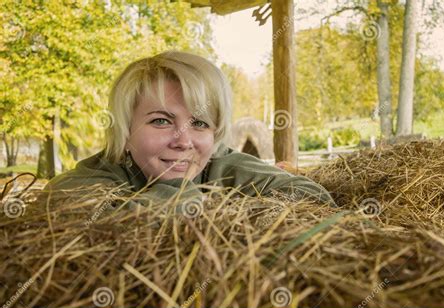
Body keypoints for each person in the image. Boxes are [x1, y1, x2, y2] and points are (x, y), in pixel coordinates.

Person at [45, 51, 335, 209]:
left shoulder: (221, 162)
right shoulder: (93, 178)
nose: (183, 141)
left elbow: (311, 195)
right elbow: (66, 212)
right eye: (161, 120)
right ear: (125, 129)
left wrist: (232, 214)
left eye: (199, 123)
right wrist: (187, 198)